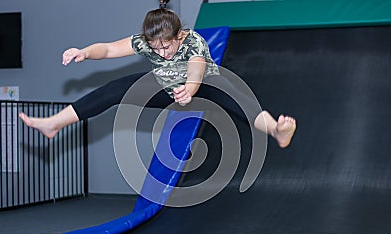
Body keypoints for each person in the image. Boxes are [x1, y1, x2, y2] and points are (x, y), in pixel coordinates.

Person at [19, 0, 296, 149]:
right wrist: (84, 51)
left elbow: (197, 68)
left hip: (205, 83)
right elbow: (108, 49)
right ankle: (54, 123)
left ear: (179, 35)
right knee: (116, 89)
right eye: (155, 47)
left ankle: (276, 130)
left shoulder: (194, 41)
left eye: (167, 46)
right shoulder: (145, 41)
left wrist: (190, 87)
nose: (162, 52)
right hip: (167, 86)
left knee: (238, 95)